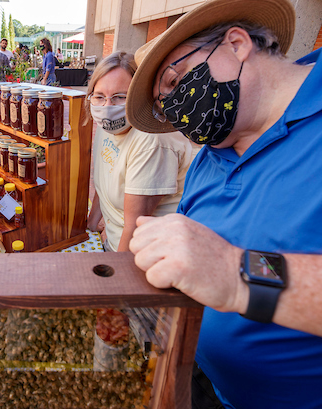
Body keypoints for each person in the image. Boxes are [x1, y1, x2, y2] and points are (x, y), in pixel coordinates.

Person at [124, 0, 322, 408]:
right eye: (165, 105)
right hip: (206, 385)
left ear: (236, 43)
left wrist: (239, 271)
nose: (176, 110)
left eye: (176, 81)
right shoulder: (211, 156)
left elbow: (225, 266)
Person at [85, 51, 195, 252]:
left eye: (119, 97)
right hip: (112, 242)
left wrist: (117, 275)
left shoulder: (152, 140)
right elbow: (104, 185)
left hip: (142, 255)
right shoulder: (107, 128)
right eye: (100, 96)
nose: (107, 107)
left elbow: (134, 226)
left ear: (138, 96)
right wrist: (90, 231)